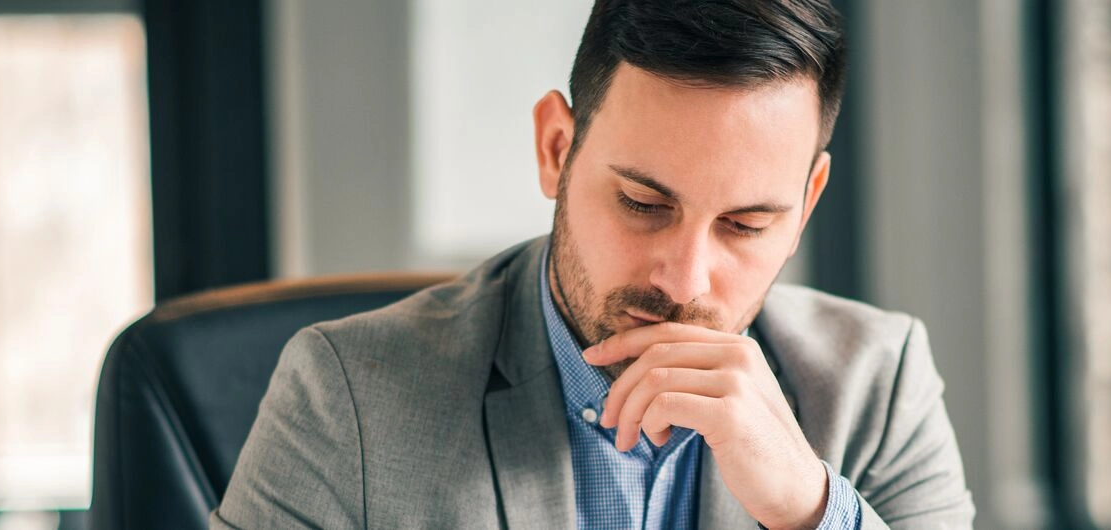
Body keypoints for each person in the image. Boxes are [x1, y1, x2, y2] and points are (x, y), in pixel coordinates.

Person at [211, 0, 974, 528]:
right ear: (556, 149)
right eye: (644, 204)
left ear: (806, 205)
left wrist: (809, 510)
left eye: (744, 225)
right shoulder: (346, 397)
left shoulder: (879, 382)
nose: (683, 279)